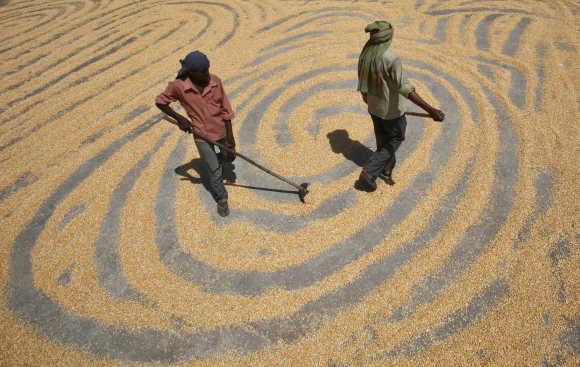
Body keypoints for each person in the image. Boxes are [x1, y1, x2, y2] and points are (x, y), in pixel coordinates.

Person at [356, 20, 445, 192]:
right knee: (396, 139)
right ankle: (369, 172)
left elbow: (362, 79)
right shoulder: (390, 57)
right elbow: (405, 88)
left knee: (383, 140)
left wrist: (367, 99)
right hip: (391, 111)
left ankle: (387, 169)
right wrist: (432, 110)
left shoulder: (366, 52)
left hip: (374, 107)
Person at [155, 51, 236, 216]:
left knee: (230, 157)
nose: (207, 74)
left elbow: (226, 110)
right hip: (201, 134)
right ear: (191, 72)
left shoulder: (215, 82)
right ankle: (221, 198)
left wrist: (230, 139)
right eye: (203, 72)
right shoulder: (179, 86)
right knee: (214, 171)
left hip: (220, 130)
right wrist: (180, 119)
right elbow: (160, 102)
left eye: (207, 69)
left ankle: (218, 161)